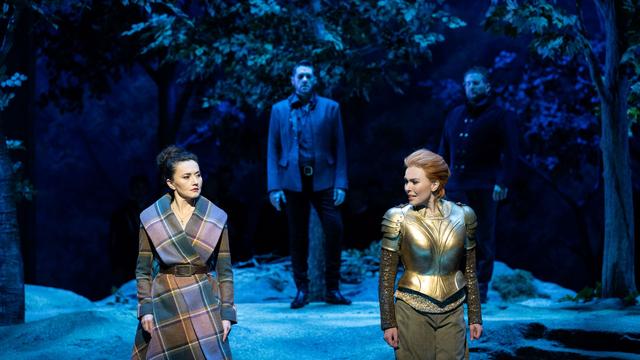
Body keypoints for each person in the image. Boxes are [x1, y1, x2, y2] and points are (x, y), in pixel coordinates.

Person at [132, 146, 236, 360]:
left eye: (197, 175)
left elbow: (225, 272)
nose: (195, 181)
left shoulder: (215, 217)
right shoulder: (151, 217)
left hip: (204, 299)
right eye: (186, 177)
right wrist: (146, 308)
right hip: (165, 300)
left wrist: (226, 313)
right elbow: (143, 271)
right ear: (171, 183)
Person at [378, 149, 482, 359]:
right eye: (406, 181)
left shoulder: (464, 215)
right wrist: (388, 323)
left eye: (415, 182)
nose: (408, 188)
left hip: (453, 309)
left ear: (435, 184)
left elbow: (469, 270)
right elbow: (386, 276)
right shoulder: (397, 217)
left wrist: (475, 317)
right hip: (412, 309)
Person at [267, 59, 350, 308]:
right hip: (292, 181)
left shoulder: (330, 108)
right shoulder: (280, 110)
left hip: (324, 179)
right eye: (300, 76)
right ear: (293, 81)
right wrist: (274, 187)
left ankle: (332, 289)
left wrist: (341, 183)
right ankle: (301, 289)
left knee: (334, 229)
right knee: (297, 235)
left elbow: (341, 148)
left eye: (308, 76)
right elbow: (273, 149)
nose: (304, 80)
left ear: (314, 80)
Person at [438, 66, 519, 303]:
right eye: (467, 83)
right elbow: (443, 149)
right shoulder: (454, 114)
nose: (470, 87)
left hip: (485, 186)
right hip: (456, 186)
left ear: (487, 86)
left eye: (475, 83)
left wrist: (503, 181)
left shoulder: (501, 116)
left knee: (483, 237)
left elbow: (511, 154)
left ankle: (479, 287)